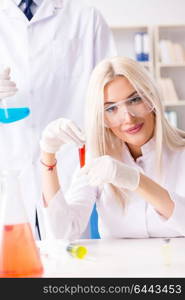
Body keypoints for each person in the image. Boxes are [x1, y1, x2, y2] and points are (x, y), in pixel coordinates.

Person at [0, 0, 116, 238]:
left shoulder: (86, 18)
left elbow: (113, 90)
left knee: (71, 260)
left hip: (69, 164)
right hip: (8, 164)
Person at [40, 56, 185, 240]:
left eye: (135, 100)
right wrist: (48, 154)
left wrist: (136, 181)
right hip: (119, 269)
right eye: (111, 109)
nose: (128, 118)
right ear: (102, 119)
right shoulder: (98, 159)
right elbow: (63, 233)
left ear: (151, 99)